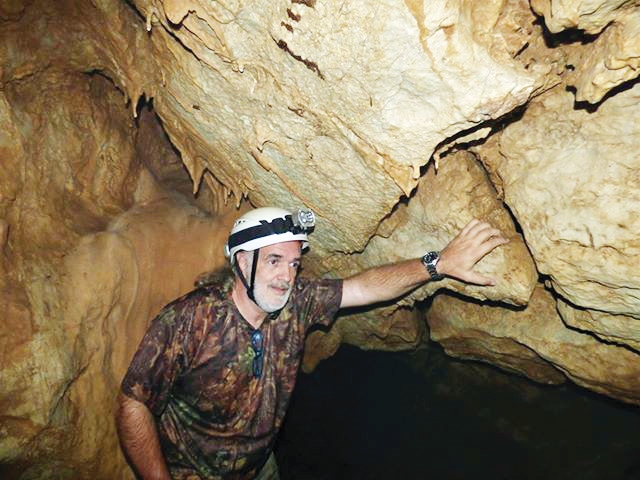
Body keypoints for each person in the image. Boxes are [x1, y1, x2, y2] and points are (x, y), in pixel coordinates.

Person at [116, 206, 508, 480]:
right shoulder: (191, 319)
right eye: (274, 261)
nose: (287, 276)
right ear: (242, 263)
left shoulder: (296, 303)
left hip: (259, 468)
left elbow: (365, 287)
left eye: (293, 263)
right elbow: (134, 403)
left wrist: (437, 264)